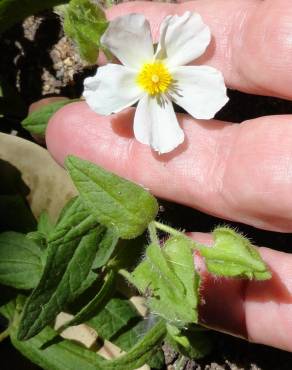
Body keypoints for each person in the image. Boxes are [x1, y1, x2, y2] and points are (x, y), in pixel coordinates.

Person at [46, 0, 292, 352]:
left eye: (156, 74)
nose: (156, 76)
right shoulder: (130, 73)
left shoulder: (169, 77)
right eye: (151, 75)